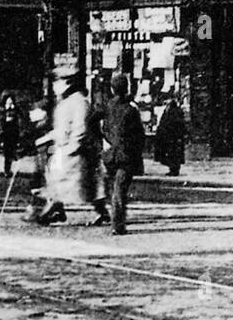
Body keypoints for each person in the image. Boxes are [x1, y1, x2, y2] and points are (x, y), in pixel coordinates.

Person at [36, 65, 111, 227]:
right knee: (66, 181)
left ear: (67, 83)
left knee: (73, 182)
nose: (55, 86)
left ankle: (55, 209)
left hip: (76, 153)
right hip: (64, 150)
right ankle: (58, 209)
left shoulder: (79, 102)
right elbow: (61, 129)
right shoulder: (65, 103)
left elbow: (80, 129)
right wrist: (42, 140)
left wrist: (71, 148)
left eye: (57, 82)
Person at [102, 72, 145, 236]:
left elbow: (93, 121)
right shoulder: (131, 109)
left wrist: (104, 139)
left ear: (112, 89)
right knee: (119, 190)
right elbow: (139, 135)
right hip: (126, 155)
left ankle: (116, 222)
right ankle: (118, 225)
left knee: (115, 188)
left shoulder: (108, 106)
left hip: (111, 154)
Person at [153, 97, 186, 176]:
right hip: (169, 136)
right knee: (170, 154)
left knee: (173, 154)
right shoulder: (168, 111)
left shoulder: (175, 112)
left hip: (172, 137)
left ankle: (174, 169)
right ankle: (173, 169)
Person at [1, 95, 21, 178]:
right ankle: (7, 170)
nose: (9, 104)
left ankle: (10, 169)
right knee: (7, 154)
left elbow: (18, 122)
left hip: (13, 134)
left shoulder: (15, 111)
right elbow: (2, 125)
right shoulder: (4, 112)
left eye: (11, 102)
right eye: (8, 102)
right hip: (6, 135)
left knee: (12, 152)